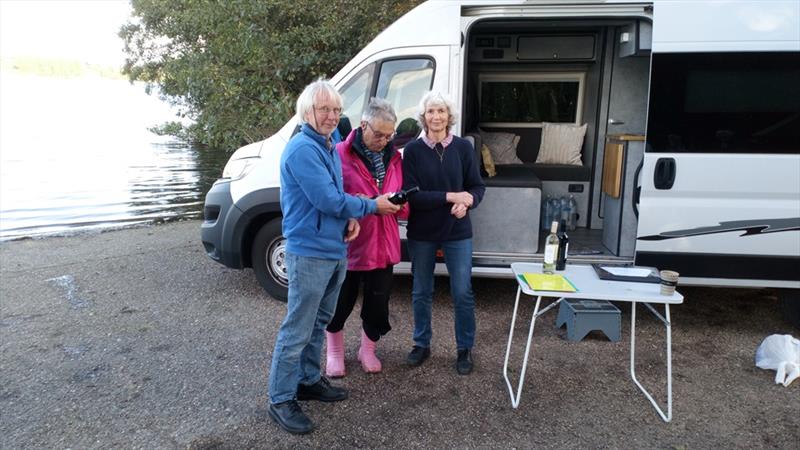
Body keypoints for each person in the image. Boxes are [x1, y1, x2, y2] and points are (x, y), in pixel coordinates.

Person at [268, 79, 401, 435]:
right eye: (323, 109)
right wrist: (371, 206)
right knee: (297, 327)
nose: (330, 116)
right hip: (309, 251)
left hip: (333, 248)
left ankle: (308, 380)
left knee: (318, 321)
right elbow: (327, 199)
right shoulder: (302, 150)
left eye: (336, 110)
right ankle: (280, 399)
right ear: (306, 111)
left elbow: (336, 198)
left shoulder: (325, 144)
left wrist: (347, 221)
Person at [401, 91, 485, 375]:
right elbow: (413, 196)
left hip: (457, 230)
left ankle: (464, 349)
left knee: (462, 292)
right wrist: (452, 197)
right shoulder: (412, 151)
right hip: (422, 231)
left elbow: (477, 187)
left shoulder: (463, 148)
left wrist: (468, 202)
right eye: (431, 112)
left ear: (449, 116)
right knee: (421, 290)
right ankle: (421, 344)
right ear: (423, 117)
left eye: (441, 111)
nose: (436, 117)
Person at [325, 98, 407, 377]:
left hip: (384, 246)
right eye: (378, 134)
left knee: (377, 305)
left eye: (389, 135)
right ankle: (334, 352)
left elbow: (404, 202)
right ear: (363, 126)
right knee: (339, 303)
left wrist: (399, 203)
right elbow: (331, 198)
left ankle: (367, 350)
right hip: (349, 245)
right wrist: (367, 202)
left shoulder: (395, 158)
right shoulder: (338, 153)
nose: (384, 140)